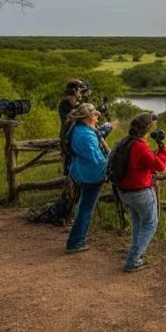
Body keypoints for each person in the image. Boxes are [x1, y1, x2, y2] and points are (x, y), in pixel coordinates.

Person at [115, 113, 166, 272]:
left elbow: (143, 161)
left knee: (138, 222)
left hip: (124, 191)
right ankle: (134, 259)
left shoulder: (126, 142)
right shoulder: (140, 147)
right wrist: (163, 148)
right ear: (148, 129)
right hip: (140, 192)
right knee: (151, 223)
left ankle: (134, 254)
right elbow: (160, 166)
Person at [63, 102, 109, 253]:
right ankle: (75, 242)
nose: (97, 116)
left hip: (79, 171)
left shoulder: (77, 128)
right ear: (88, 117)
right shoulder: (86, 136)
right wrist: (112, 164)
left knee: (82, 205)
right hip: (91, 175)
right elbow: (97, 160)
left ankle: (78, 238)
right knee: (86, 209)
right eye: (95, 114)